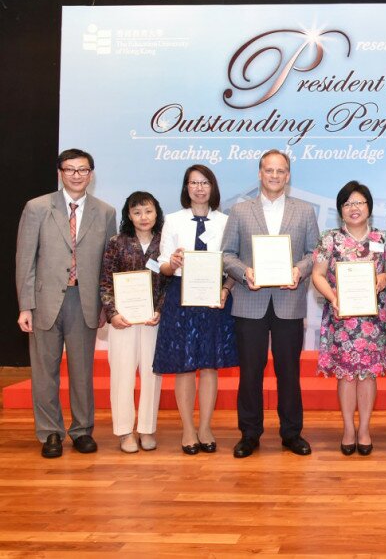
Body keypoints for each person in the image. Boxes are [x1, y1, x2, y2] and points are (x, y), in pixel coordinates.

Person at [16, 149, 116, 458]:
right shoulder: (37, 208)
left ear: (91, 174)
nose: (76, 175)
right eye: (70, 169)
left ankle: (82, 430)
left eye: (83, 170)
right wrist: (25, 305)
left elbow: (107, 266)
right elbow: (25, 260)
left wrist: (104, 304)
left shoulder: (106, 212)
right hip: (44, 301)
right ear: (60, 172)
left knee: (82, 371)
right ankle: (50, 433)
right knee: (45, 371)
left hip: (84, 301)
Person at [223, 149, 319, 458]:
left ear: (288, 176)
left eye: (280, 171)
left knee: (288, 371)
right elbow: (227, 255)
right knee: (250, 372)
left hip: (289, 302)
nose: (274, 176)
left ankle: (292, 433)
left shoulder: (304, 211)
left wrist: (299, 270)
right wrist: (243, 272)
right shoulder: (240, 211)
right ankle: (249, 434)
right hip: (249, 302)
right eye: (269, 170)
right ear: (260, 173)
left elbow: (314, 252)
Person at [153, 165, 238, 455]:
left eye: (204, 183)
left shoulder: (227, 221)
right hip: (182, 297)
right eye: (193, 183)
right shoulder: (173, 220)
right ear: (186, 187)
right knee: (185, 364)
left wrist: (226, 289)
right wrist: (172, 263)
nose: (199, 188)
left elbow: (233, 262)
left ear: (213, 187)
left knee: (210, 364)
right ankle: (188, 428)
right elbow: (162, 263)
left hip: (215, 297)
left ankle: (205, 427)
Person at [311, 181, 386, 455]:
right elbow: (317, 274)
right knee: (346, 376)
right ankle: (349, 428)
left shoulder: (383, 238)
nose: (354, 208)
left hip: (373, 319)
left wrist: (384, 278)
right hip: (342, 317)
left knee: (369, 375)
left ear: (369, 206)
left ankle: (364, 429)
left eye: (359, 202)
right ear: (340, 210)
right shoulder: (329, 238)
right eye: (348, 204)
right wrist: (334, 297)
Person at [99, 191, 167, 452]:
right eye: (137, 212)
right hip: (123, 321)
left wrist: (160, 309)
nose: (143, 217)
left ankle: (147, 430)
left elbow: (169, 283)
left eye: (148, 211)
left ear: (156, 213)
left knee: (152, 376)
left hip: (153, 320)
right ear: (129, 215)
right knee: (122, 376)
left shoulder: (164, 243)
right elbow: (105, 281)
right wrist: (112, 313)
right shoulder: (117, 242)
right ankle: (125, 432)